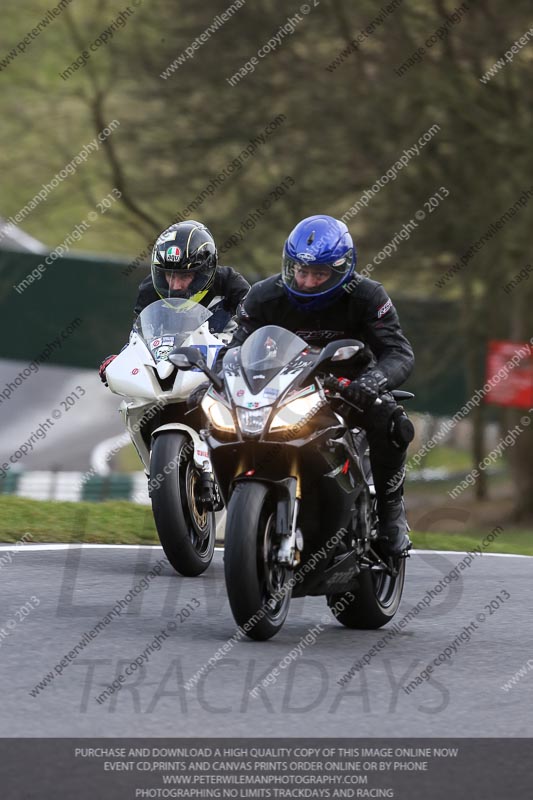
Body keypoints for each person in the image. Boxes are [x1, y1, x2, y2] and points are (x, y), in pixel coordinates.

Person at [227, 214, 415, 557]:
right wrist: (214, 381)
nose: (308, 282)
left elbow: (399, 352)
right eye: (301, 271)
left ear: (342, 270)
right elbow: (234, 348)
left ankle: (391, 512)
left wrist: (372, 382)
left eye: (319, 274)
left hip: (348, 388)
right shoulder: (263, 297)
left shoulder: (368, 296)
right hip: (281, 390)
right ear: (289, 266)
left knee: (389, 418)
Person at [99, 220, 250, 383]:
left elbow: (255, 319)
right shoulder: (149, 290)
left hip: (220, 369)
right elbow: (139, 338)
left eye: (185, 276)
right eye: (170, 275)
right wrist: (121, 359)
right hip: (168, 372)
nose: (176, 285)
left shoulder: (228, 281)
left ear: (204, 271)